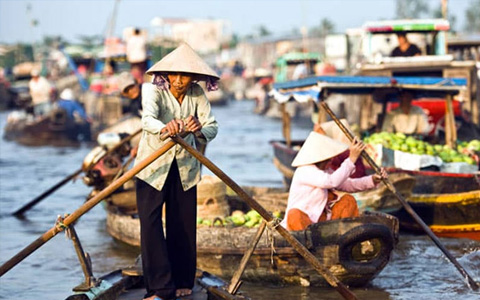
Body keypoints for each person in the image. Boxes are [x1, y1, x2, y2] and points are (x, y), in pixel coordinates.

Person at [134, 42, 219, 300]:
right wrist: (166, 127)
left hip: (185, 168)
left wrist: (197, 129)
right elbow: (147, 119)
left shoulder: (196, 95)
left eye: (185, 75)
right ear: (167, 74)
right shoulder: (152, 90)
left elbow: (212, 126)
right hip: (153, 167)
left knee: (182, 223)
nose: (180, 81)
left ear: (193, 77)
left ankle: (183, 280)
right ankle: (160, 287)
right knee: (150, 224)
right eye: (175, 75)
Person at [282, 131, 387, 231]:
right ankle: (309, 243)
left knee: (348, 201)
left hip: (320, 221)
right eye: (328, 160)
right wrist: (351, 159)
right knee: (295, 214)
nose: (331, 162)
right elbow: (331, 182)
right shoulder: (305, 170)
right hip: (302, 221)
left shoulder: (326, 171)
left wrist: (372, 179)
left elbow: (349, 184)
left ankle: (345, 236)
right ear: (320, 159)